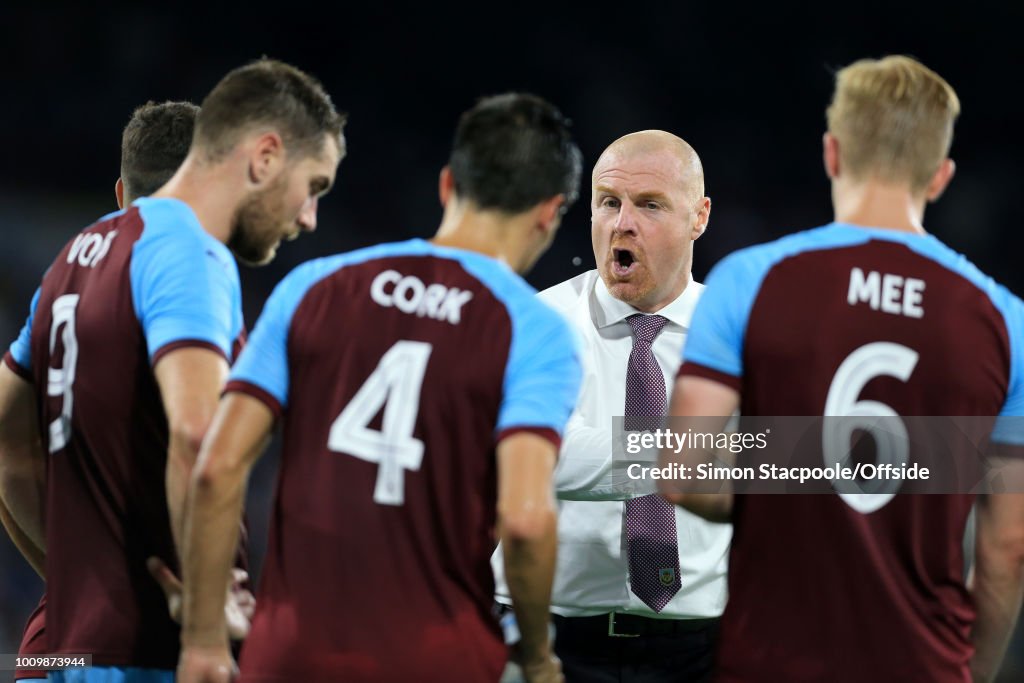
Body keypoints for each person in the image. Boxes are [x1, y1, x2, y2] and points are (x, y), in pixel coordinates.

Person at [176, 93, 584, 683]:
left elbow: (215, 468)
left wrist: (202, 639)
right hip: (440, 659)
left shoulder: (315, 285)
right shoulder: (534, 330)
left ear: (448, 185)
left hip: (289, 656)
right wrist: (539, 654)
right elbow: (524, 520)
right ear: (550, 213)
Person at [661, 55, 1024, 682]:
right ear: (939, 177)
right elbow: (1007, 549)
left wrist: (795, 481)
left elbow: (685, 475)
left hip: (769, 663)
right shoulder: (1005, 319)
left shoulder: (751, 279)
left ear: (832, 153)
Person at [0, 59, 345, 682]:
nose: (308, 217)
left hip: (58, 647)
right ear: (266, 157)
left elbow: (7, 445)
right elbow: (197, 435)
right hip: (149, 652)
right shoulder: (190, 250)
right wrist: (207, 632)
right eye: (312, 185)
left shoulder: (74, 258)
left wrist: (81, 580)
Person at [493, 129, 727, 682]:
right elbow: (546, 454)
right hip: (549, 642)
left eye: (649, 205)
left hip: (701, 649)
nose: (622, 222)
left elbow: (780, 461)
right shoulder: (536, 323)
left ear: (699, 216)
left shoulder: (739, 333)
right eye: (608, 202)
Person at [0, 98, 201, 683]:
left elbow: (8, 442)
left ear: (121, 191)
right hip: (145, 641)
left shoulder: (65, 271)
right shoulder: (189, 268)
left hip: (55, 642)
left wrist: (69, 574)